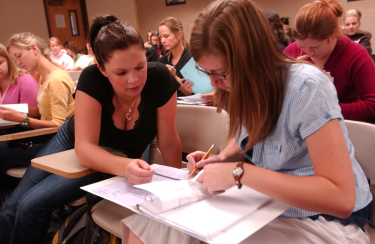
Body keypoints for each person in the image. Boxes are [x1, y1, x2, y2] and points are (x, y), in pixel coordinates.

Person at [122, 0, 373, 243]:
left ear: (253, 58)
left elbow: (340, 198)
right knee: (146, 227)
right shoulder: (244, 86)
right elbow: (250, 136)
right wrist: (223, 159)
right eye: (207, 72)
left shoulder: (307, 86)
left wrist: (239, 173)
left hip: (327, 219)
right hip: (269, 204)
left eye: (220, 73)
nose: (213, 83)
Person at [0, 14, 182, 244]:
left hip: (115, 157)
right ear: (103, 70)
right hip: (75, 139)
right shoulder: (91, 78)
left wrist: (178, 189)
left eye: (139, 67)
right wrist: (127, 166)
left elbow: (168, 140)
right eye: (121, 73)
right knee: (14, 202)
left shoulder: (160, 79)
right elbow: (84, 149)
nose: (133, 80)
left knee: (29, 206)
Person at [284, 0, 375, 122]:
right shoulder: (291, 52)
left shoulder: (355, 54)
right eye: (302, 47)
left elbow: (372, 105)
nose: (309, 53)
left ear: (333, 35)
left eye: (315, 47)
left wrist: (323, 109)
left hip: (347, 126)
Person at [0, 32, 75, 172]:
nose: (17, 63)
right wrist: (12, 112)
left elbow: (58, 124)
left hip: (54, 142)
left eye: (19, 56)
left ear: (34, 49)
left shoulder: (56, 79)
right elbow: (42, 111)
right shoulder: (42, 76)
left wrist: (23, 119)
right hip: (45, 137)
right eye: (14, 59)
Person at [158, 17, 194, 96]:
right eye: (160, 37)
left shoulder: (191, 58)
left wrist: (174, 78)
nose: (162, 41)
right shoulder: (161, 61)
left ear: (179, 35)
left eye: (166, 36)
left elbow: (191, 92)